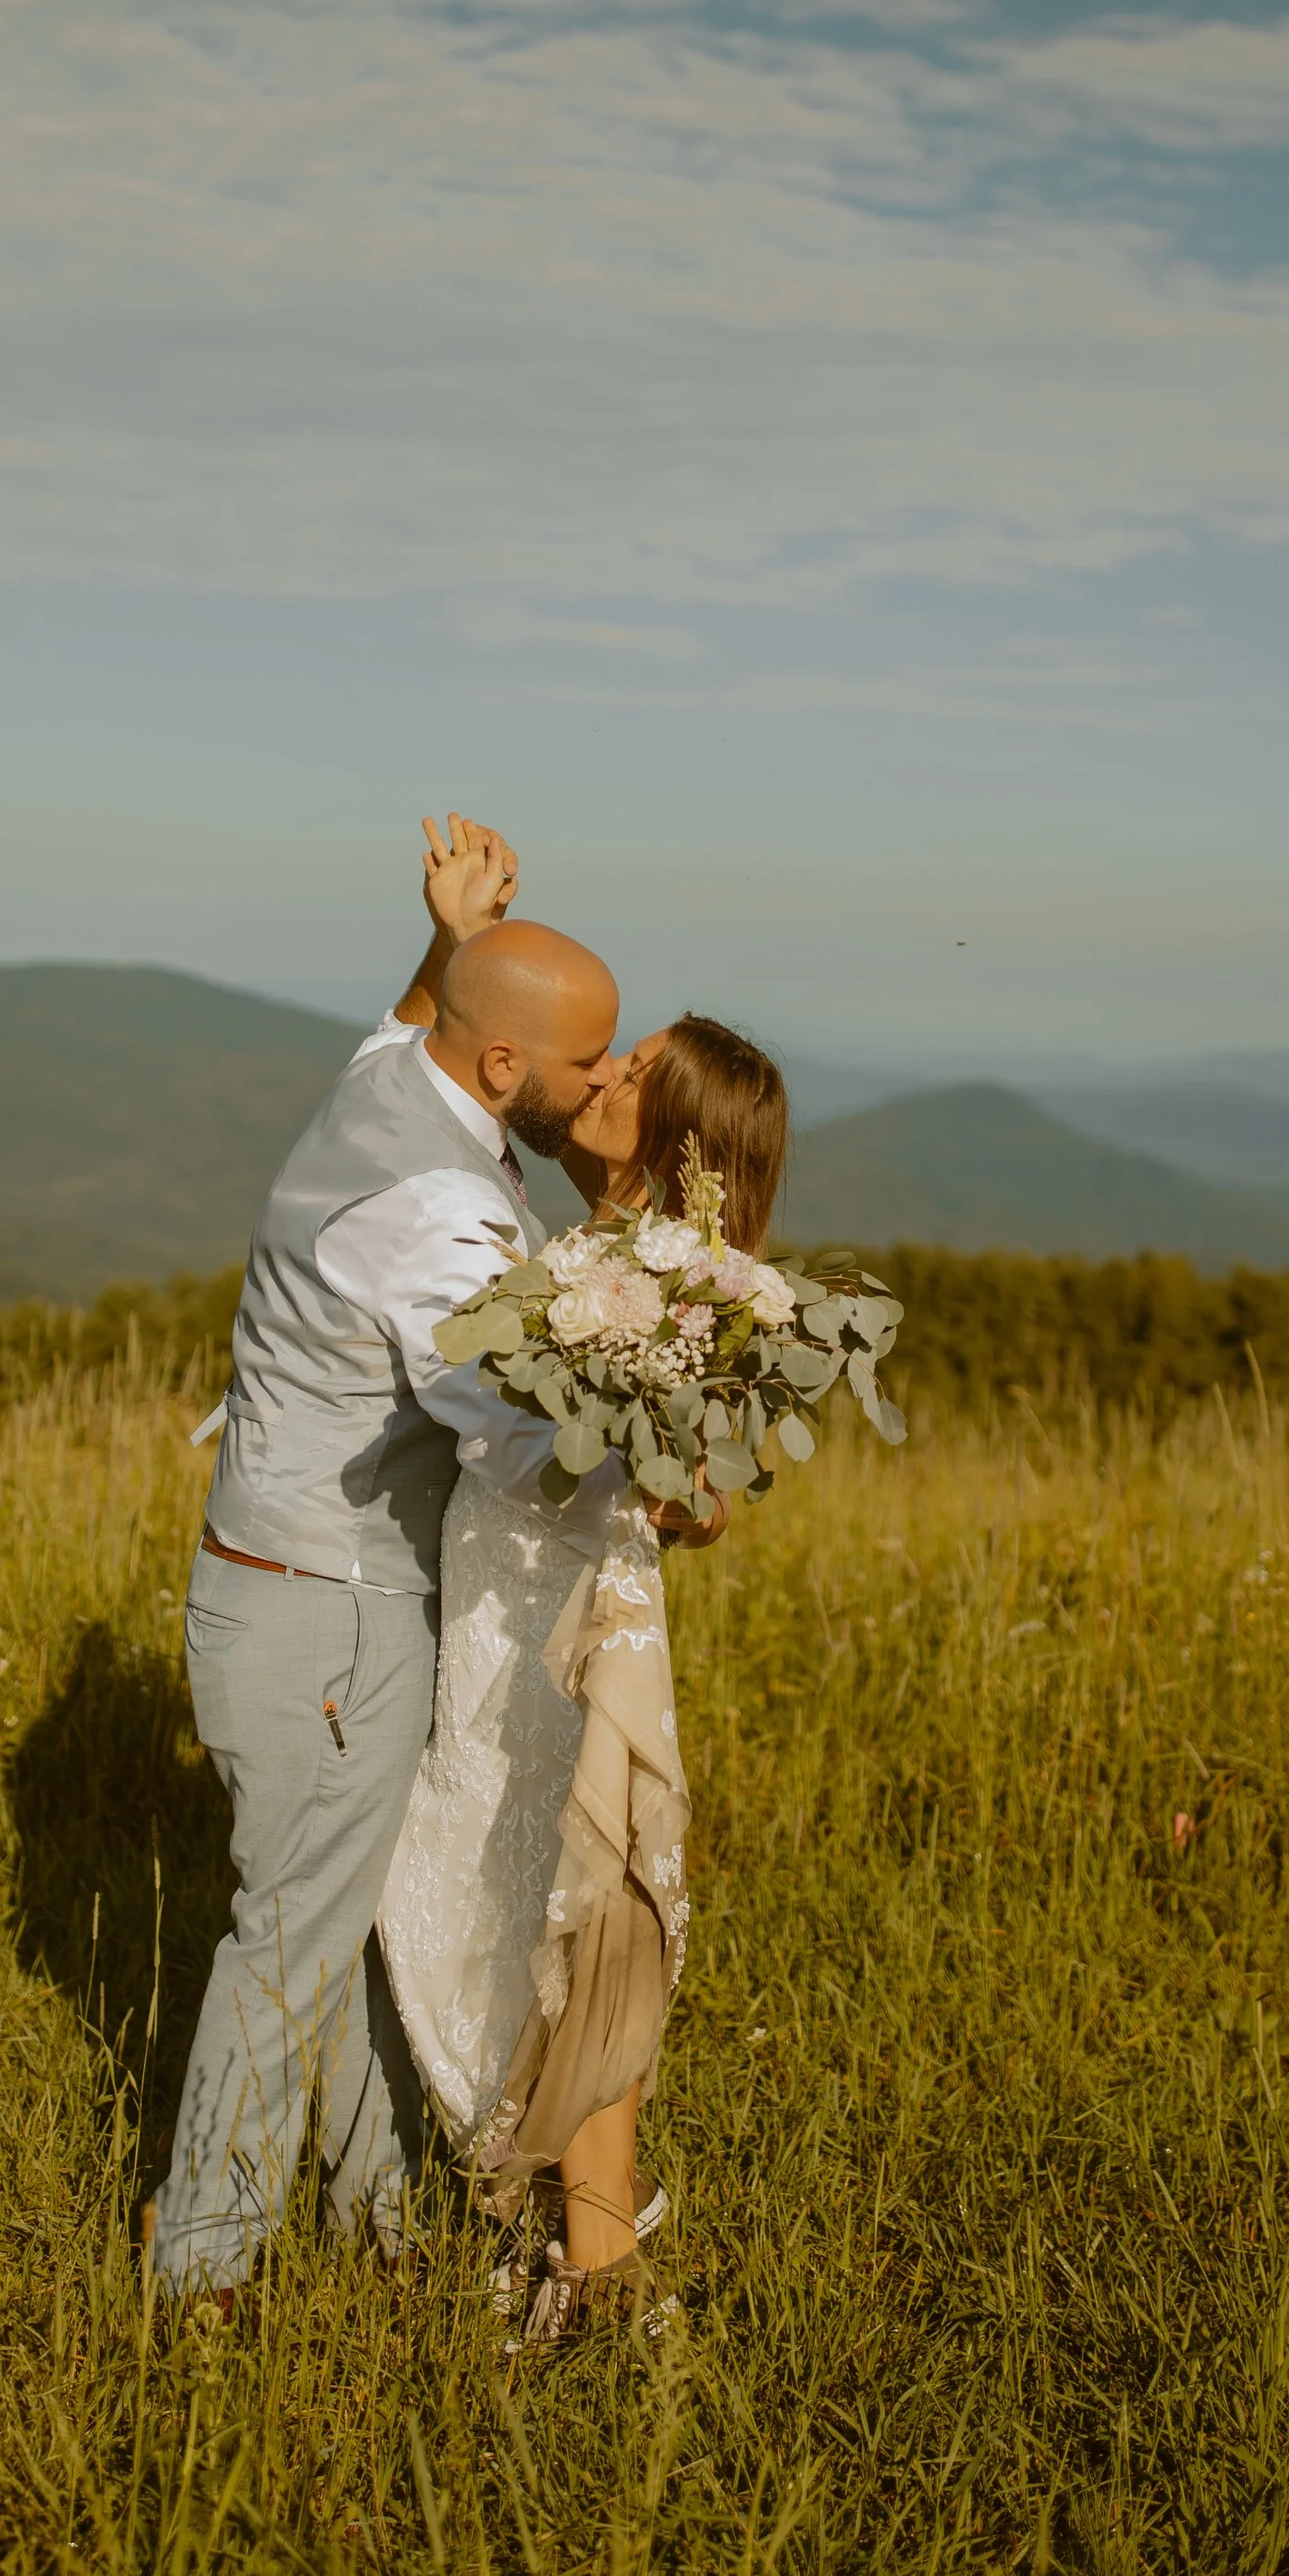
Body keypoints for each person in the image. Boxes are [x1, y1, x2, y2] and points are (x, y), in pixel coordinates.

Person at [144, 813, 628, 2314]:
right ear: (505, 1066)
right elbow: (519, 1448)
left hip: (274, 1590)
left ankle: (382, 2216)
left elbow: (422, 1010)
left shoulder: (391, 1079)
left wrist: (451, 932)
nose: (607, 1082)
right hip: (335, 1615)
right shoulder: (443, 1217)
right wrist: (663, 1468)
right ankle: (200, 2269)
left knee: (335, 1912)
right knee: (291, 1936)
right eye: (587, 1065)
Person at [379, 973, 788, 2359]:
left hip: (575, 1615)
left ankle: (598, 2259)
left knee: (583, 1903)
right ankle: (580, 2226)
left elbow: (703, 1485)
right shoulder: (605, 1242)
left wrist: (683, 1489)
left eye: (635, 1070)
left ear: (676, 1136)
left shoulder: (680, 1279)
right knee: (504, 1891)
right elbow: (425, 1076)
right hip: (501, 1596)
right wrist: (451, 952)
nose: (603, 1073)